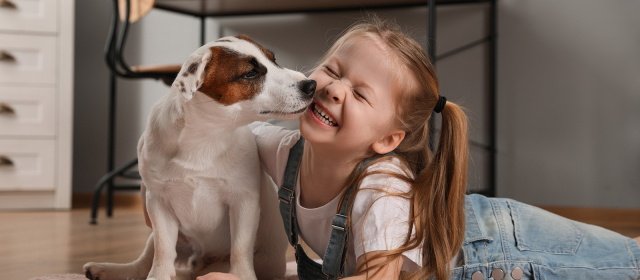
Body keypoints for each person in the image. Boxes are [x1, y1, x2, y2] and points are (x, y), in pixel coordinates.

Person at [143, 15, 640, 280]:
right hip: (484, 235)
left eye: (359, 94)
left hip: (507, 249)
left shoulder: (381, 189)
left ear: (387, 141)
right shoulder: (279, 145)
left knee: (627, 263)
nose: (335, 89)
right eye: (333, 72)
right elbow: (201, 152)